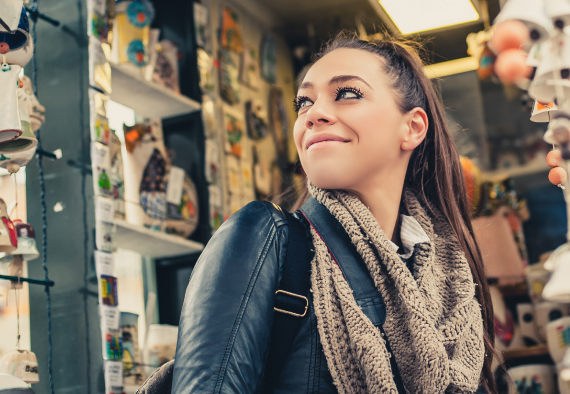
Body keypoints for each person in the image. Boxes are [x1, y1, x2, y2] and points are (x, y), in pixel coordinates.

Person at [170, 32, 497, 394]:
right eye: (304, 102)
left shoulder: (452, 282)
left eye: (347, 94)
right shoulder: (263, 238)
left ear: (413, 127)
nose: (314, 114)